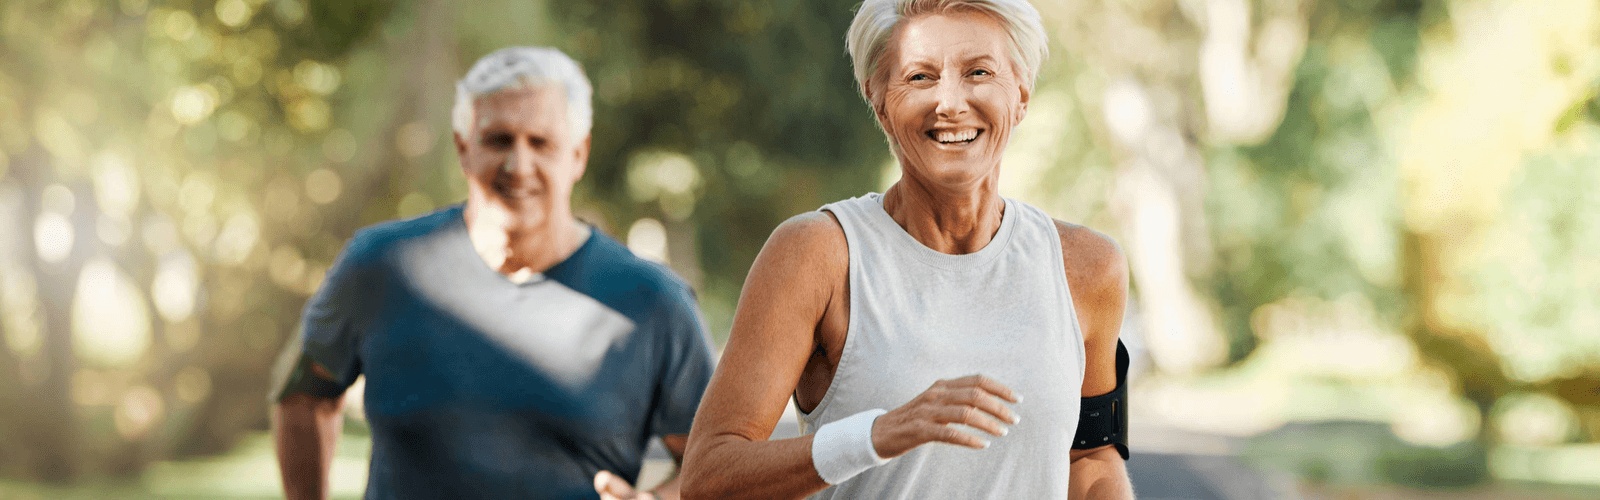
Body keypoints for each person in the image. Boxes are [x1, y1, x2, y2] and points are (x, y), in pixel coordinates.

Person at [680, 0, 1134, 498]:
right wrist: (878, 434)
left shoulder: (1086, 266)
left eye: (978, 72)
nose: (951, 102)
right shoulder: (817, 255)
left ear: (1021, 94)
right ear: (879, 102)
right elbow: (708, 477)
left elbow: (1091, 455)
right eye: (920, 77)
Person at [270, 46, 715, 500]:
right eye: (498, 140)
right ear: (464, 149)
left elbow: (717, 463)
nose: (518, 166)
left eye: (540, 143)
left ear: (578, 155)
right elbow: (305, 396)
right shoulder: (381, 266)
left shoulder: (655, 301)